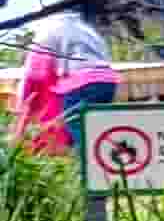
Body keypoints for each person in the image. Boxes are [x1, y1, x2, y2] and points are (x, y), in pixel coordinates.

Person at [17, 12, 116, 157]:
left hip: (80, 83)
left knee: (78, 129)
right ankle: (108, 157)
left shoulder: (47, 32)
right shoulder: (86, 30)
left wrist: (22, 113)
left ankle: (87, 168)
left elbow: (32, 76)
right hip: (108, 81)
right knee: (94, 127)